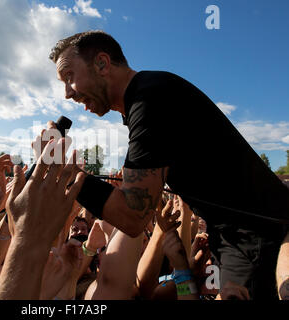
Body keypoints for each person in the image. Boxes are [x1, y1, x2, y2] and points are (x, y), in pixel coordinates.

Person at [47, 30, 289, 299]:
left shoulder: (150, 99)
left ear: (102, 63)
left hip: (256, 236)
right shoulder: (146, 97)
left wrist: (65, 173)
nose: (67, 93)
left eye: (70, 77)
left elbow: (133, 216)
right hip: (242, 236)